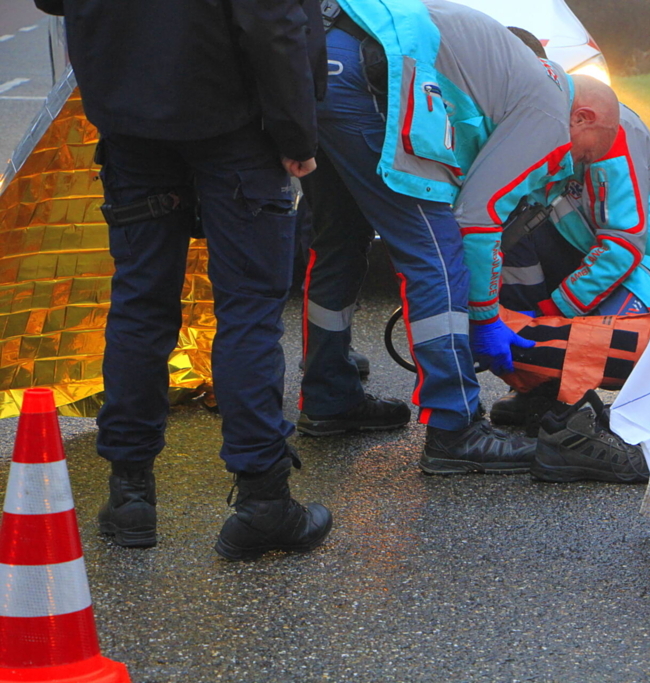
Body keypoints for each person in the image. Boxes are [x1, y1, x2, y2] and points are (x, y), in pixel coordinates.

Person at [35, 0, 333, 559]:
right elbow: (273, 23)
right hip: (234, 123)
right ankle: (263, 498)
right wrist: (297, 136)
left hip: (130, 120)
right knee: (248, 311)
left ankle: (129, 493)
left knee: (141, 303)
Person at [302, 0, 619, 475]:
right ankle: (455, 429)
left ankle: (329, 397)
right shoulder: (550, 115)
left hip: (319, 57)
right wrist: (486, 317)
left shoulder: (518, 77)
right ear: (584, 117)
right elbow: (475, 219)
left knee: (340, 241)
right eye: (586, 155)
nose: (576, 166)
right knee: (436, 252)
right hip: (365, 76)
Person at [491, 31, 650, 427]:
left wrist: (551, 314)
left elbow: (622, 245)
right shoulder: (541, 116)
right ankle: (537, 385)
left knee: (588, 336)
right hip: (592, 245)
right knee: (511, 240)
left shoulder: (609, 128)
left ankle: (563, 385)